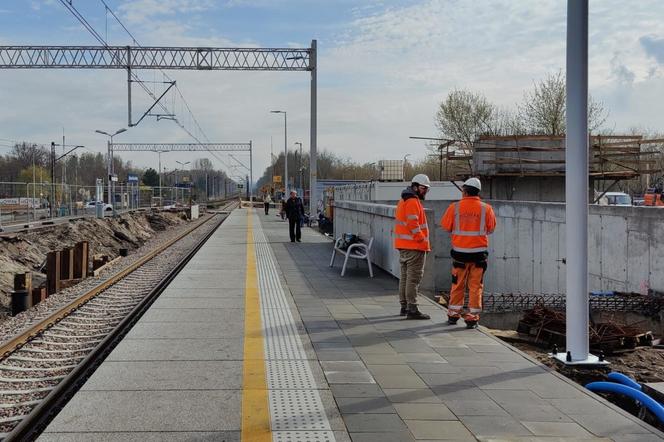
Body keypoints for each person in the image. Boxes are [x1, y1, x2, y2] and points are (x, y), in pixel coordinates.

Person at [440, 177, 496, 329]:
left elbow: (446, 226)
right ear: (478, 192)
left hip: (459, 254)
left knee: (457, 284)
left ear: (464, 191)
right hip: (479, 255)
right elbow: (490, 229)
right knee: (475, 286)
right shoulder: (487, 208)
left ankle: (453, 314)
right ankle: (472, 318)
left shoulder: (454, 207)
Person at [394, 174, 432, 320]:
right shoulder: (412, 201)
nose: (425, 192)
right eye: (424, 188)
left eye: (427, 189)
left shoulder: (403, 200)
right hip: (414, 247)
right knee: (413, 279)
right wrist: (422, 240)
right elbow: (413, 224)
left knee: (404, 277)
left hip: (404, 246)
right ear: (415, 187)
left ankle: (404, 306)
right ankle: (412, 308)